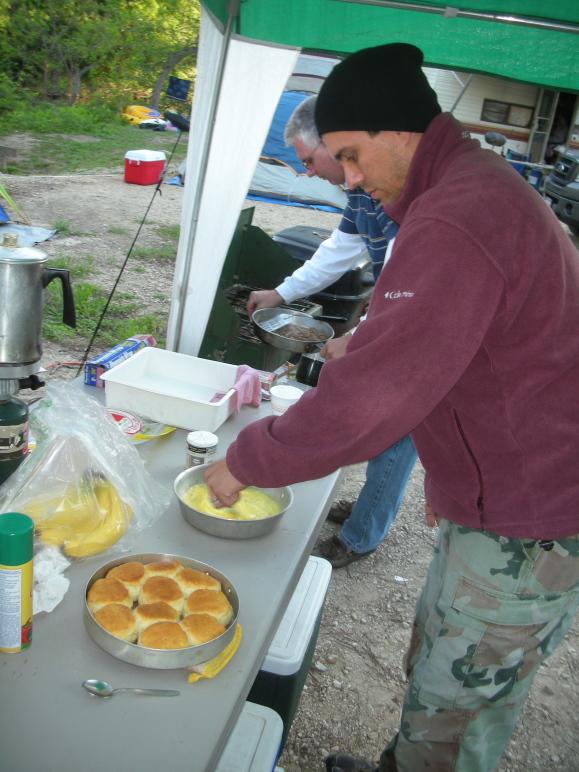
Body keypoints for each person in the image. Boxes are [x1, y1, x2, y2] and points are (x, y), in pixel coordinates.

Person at [205, 42, 579, 772]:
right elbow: (472, 335)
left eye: (349, 156)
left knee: (458, 705)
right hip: (503, 490)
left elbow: (373, 403)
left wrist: (247, 463)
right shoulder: (468, 188)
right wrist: (456, 482)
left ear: (396, 131)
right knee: (438, 658)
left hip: (532, 509)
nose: (348, 178)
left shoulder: (454, 216)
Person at [247, 96, 417, 569]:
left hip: (417, 319)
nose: (303, 172)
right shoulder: (360, 191)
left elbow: (411, 281)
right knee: (383, 418)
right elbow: (339, 251)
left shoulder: (400, 186)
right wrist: (280, 293)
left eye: (307, 160)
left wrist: (359, 336)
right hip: (399, 307)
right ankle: (368, 508)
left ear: (335, 144)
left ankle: (362, 535)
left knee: (399, 426)